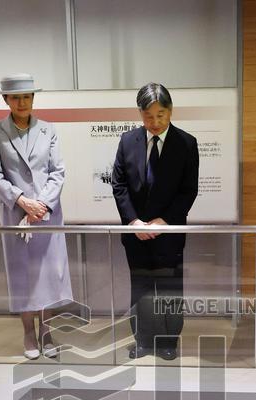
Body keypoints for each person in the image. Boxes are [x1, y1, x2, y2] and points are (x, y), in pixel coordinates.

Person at [0, 73, 72, 360]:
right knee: (23, 275)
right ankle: (28, 332)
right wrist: (22, 201)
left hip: (46, 215)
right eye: (16, 97)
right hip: (16, 214)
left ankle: (47, 330)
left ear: (33, 98)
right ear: (6, 99)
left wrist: (42, 205)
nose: (22, 102)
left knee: (49, 274)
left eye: (27, 96)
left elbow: (57, 172)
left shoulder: (49, 129)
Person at [111, 82, 199, 360]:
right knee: (141, 288)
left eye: (161, 115)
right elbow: (119, 184)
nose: (155, 122)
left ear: (171, 111)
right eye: (149, 116)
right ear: (140, 114)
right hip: (136, 234)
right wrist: (133, 222)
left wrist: (164, 221)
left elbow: (189, 190)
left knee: (170, 288)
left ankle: (169, 341)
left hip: (169, 232)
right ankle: (143, 341)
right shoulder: (128, 141)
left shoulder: (186, 143)